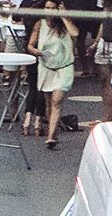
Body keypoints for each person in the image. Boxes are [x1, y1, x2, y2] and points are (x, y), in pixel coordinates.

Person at [31, 13, 77, 148]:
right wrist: (36, 51)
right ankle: (54, 131)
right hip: (46, 67)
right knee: (49, 103)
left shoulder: (66, 23)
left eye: (53, 8)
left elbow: (75, 34)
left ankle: (51, 136)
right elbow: (30, 45)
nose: (50, 11)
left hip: (64, 67)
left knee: (56, 100)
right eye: (48, 8)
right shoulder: (40, 23)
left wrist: (63, 16)